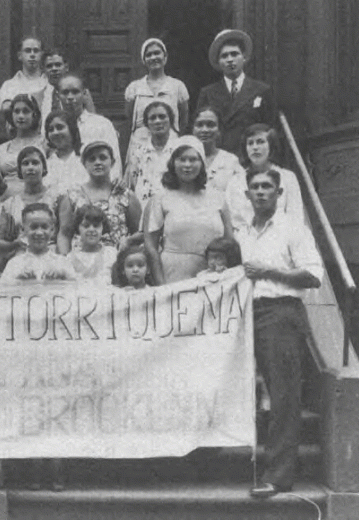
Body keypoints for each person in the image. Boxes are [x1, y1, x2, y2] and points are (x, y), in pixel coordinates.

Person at [237, 169, 322, 499]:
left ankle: (279, 476)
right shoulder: (243, 232)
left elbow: (314, 276)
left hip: (281, 312)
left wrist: (270, 271)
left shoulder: (292, 228)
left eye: (266, 187)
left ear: (278, 192)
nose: (260, 192)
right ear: (247, 194)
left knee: (284, 395)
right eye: (255, 187)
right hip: (245, 315)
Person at [144, 135, 234, 284]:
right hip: (172, 275)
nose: (187, 165)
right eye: (181, 159)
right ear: (173, 163)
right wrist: (161, 285)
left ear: (202, 163)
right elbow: (150, 247)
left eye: (193, 159)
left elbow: (229, 242)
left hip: (212, 274)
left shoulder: (218, 198)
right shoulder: (160, 199)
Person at [197, 29, 277, 154]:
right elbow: (201, 130)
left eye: (234, 54)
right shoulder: (208, 93)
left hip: (251, 157)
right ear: (218, 62)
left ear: (244, 57)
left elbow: (271, 131)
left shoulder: (261, 90)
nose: (230, 59)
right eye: (224, 56)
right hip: (220, 159)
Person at [58, 141, 142, 254]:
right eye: (92, 159)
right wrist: (65, 261)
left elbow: (138, 232)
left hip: (117, 261)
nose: (97, 162)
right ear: (84, 164)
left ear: (112, 162)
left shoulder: (126, 195)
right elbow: (64, 234)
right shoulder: (72, 196)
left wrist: (127, 244)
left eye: (103, 158)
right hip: (82, 261)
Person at [226, 123, 304, 232]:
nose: (255, 148)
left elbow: (296, 217)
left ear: (271, 145)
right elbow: (232, 219)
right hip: (246, 240)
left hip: (280, 238)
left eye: (260, 142)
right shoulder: (235, 181)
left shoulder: (287, 177)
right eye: (250, 143)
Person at [125, 38, 189, 158]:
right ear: (144, 60)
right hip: (140, 142)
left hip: (169, 141)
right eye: (149, 55)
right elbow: (129, 116)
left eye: (157, 53)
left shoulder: (177, 86)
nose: (153, 57)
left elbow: (184, 117)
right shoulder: (134, 87)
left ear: (165, 57)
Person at [58, 73, 122, 180]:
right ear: (58, 95)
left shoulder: (101, 124)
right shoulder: (54, 128)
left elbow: (114, 162)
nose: (70, 97)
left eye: (75, 92)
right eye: (65, 92)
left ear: (84, 94)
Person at [1, 203, 76, 281]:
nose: (39, 232)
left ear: (52, 230)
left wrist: (62, 278)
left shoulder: (62, 263)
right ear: (23, 229)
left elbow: (74, 288)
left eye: (44, 227)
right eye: (34, 227)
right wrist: (19, 281)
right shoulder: (15, 264)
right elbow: (3, 288)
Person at [125, 101, 177, 208]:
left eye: (162, 117)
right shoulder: (138, 152)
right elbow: (132, 184)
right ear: (147, 123)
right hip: (144, 208)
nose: (158, 121)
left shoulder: (180, 149)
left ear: (170, 120)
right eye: (153, 118)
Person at [0, 93, 46, 196]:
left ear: (34, 114)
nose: (21, 116)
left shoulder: (44, 143)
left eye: (26, 111)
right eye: (16, 112)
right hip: (7, 198)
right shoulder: (1, 149)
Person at [191, 105, 244, 194]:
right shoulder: (182, 159)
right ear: (193, 129)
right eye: (199, 125)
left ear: (219, 130)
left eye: (210, 125)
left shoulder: (230, 160)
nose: (205, 130)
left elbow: (240, 193)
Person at [39, 49, 95, 131]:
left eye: (58, 65)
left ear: (66, 67)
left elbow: (92, 119)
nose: (54, 69)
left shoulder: (80, 92)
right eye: (49, 66)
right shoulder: (40, 94)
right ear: (43, 70)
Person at [67, 204, 118, 280]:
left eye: (96, 226)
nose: (91, 230)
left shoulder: (111, 254)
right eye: (86, 226)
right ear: (78, 228)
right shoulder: (71, 258)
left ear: (103, 228)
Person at [0, 36, 48, 114]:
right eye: (28, 51)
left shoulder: (49, 82)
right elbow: (6, 108)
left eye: (36, 51)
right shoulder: (9, 85)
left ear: (41, 55)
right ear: (19, 55)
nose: (32, 54)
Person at [43, 110, 86, 193]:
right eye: (51, 130)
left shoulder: (85, 159)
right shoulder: (45, 164)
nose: (55, 133)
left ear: (71, 129)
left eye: (60, 127)